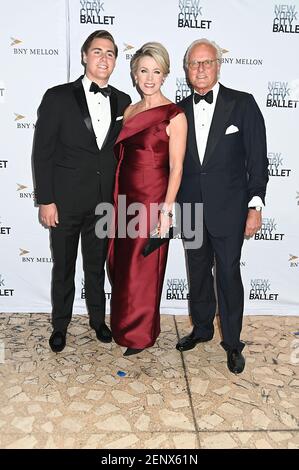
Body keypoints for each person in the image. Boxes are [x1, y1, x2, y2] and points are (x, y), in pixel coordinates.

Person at [32, 30, 131, 352]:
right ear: (85, 56)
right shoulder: (58, 96)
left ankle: (98, 321)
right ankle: (60, 325)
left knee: (96, 268)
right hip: (65, 202)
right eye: (98, 52)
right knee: (64, 268)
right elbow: (42, 152)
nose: (104, 58)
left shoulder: (124, 101)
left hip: (104, 204)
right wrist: (46, 200)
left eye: (110, 53)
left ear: (116, 61)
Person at [176, 38, 268, 374]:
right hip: (190, 208)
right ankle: (201, 329)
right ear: (187, 71)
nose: (200, 69)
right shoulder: (177, 111)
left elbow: (257, 160)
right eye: (194, 63)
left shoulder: (242, 104)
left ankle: (232, 342)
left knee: (228, 275)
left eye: (207, 62)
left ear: (218, 65)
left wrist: (255, 206)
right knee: (197, 273)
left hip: (230, 209)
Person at [108, 42, 187, 356]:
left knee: (145, 267)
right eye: (144, 70)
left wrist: (167, 211)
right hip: (123, 195)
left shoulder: (174, 115)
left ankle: (140, 335)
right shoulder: (129, 110)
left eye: (156, 71)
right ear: (134, 74)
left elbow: (177, 166)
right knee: (123, 264)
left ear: (165, 75)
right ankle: (123, 326)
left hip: (153, 198)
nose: (149, 77)